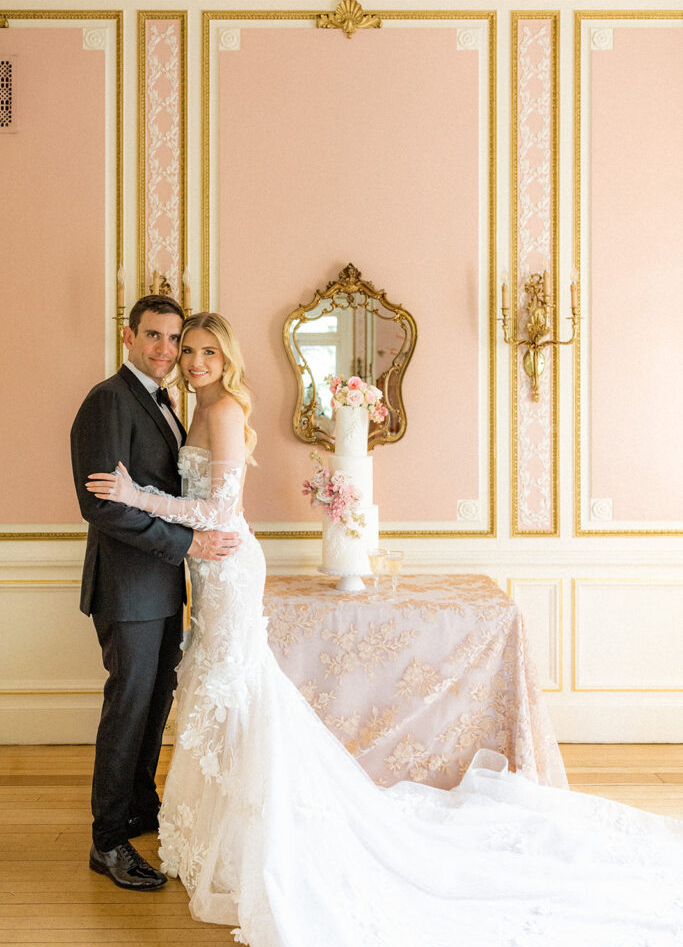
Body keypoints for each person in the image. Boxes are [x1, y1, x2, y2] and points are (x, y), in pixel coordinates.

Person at [86, 312, 683, 946]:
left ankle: (253, 827)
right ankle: (217, 821)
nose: (192, 358)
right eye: (186, 347)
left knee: (236, 687)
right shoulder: (187, 403)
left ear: (224, 356)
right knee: (215, 689)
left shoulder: (225, 408)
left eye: (204, 349)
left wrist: (137, 495)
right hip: (204, 569)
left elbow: (219, 509)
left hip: (227, 565)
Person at [71, 295, 242, 892]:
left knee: (154, 703)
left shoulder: (168, 401)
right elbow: (101, 505)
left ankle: (140, 807)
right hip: (128, 587)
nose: (167, 350)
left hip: (165, 585)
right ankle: (108, 841)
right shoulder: (108, 400)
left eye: (175, 340)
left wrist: (182, 553)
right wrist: (188, 545)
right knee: (129, 708)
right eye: (156, 337)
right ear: (130, 336)